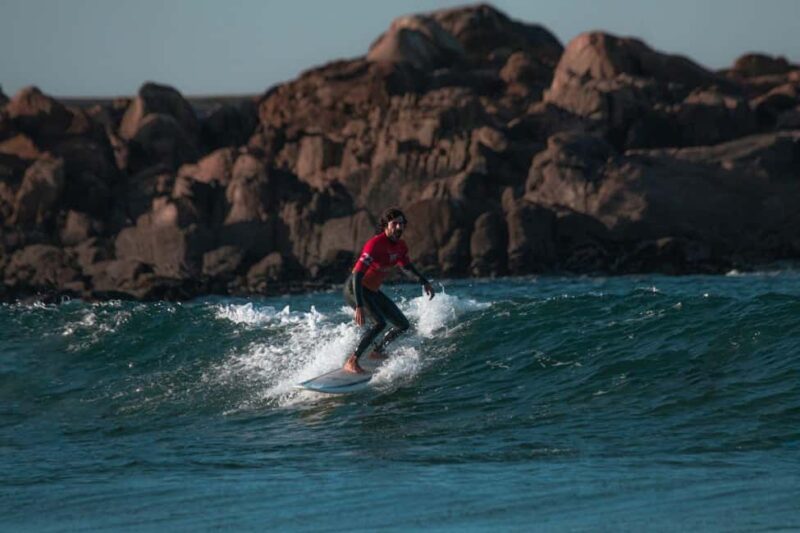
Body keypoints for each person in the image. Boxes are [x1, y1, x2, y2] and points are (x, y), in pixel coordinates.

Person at [342, 207, 435, 373]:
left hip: (373, 291)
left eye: (401, 224)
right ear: (386, 225)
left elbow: (406, 265)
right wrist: (359, 305)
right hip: (355, 288)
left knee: (402, 324)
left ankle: (377, 352)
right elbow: (357, 274)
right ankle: (352, 361)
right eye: (394, 223)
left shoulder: (400, 246)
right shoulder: (374, 245)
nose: (399, 227)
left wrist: (424, 282)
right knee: (380, 323)